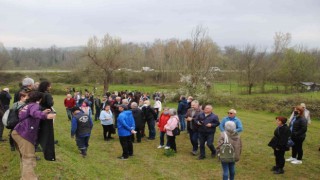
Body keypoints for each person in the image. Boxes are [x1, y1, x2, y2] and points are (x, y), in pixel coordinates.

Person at [11, 91, 56, 179]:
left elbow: (29, 114)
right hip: (25, 134)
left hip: (18, 132)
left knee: (25, 157)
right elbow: (34, 113)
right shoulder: (35, 105)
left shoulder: (28, 105)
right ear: (40, 98)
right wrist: (45, 116)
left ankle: (25, 177)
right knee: (28, 158)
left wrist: (42, 111)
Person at [38, 81, 56, 161]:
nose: (50, 87)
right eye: (49, 86)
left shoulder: (38, 93)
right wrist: (52, 100)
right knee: (48, 133)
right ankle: (49, 154)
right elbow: (50, 104)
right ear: (47, 87)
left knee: (40, 131)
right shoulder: (47, 94)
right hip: (47, 113)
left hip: (39, 113)